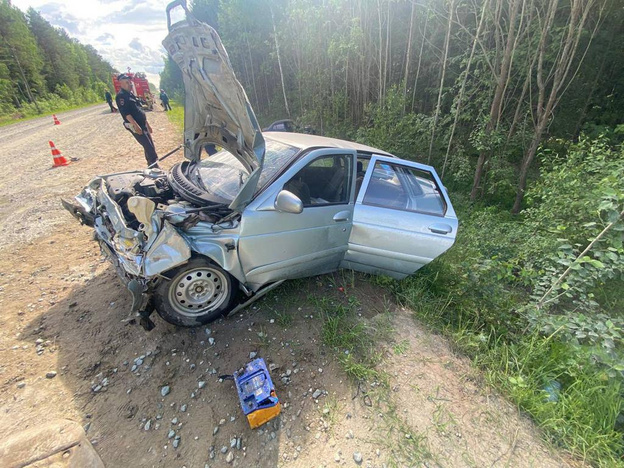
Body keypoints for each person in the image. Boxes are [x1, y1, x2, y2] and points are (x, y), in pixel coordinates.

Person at [115, 74, 159, 167]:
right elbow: (126, 113)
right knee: (149, 147)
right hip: (136, 125)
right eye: (127, 81)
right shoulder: (121, 96)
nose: (129, 83)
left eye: (129, 81)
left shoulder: (130, 94)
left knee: (150, 145)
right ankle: (154, 166)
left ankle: (151, 165)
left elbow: (139, 110)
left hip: (142, 124)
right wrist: (135, 125)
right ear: (121, 83)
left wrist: (147, 125)